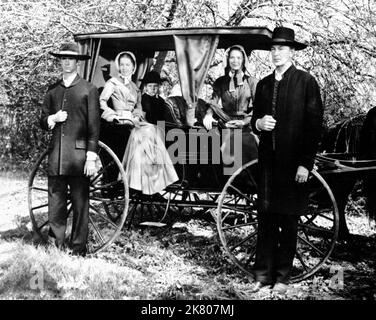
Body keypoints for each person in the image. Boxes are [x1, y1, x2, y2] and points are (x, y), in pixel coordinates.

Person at [250, 27, 324, 293]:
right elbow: (252, 119)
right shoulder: (263, 84)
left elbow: (314, 126)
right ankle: (262, 276)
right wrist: (258, 122)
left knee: (289, 222)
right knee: (266, 220)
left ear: (293, 52)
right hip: (268, 164)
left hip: (294, 166)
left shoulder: (306, 82)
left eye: (281, 48)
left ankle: (282, 278)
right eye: (273, 49)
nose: (276, 53)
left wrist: (305, 163)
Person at [40, 42, 100, 256]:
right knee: (55, 202)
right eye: (63, 59)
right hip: (56, 156)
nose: (66, 62)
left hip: (79, 157)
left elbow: (94, 126)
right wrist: (52, 118)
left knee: (80, 204)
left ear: (77, 62)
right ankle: (55, 246)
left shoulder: (88, 89)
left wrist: (91, 157)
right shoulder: (52, 90)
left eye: (70, 59)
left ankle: (77, 248)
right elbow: (41, 120)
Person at [100, 52, 178, 195]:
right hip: (119, 120)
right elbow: (102, 102)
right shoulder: (112, 83)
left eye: (127, 65)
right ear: (118, 66)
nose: (124, 68)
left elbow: (138, 106)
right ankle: (135, 179)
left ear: (133, 68)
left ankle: (153, 176)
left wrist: (137, 113)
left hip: (132, 119)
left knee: (152, 129)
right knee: (148, 130)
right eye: (122, 65)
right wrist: (112, 115)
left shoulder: (134, 87)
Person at [202, 45, 259, 171]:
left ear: (243, 60)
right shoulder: (220, 82)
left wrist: (244, 122)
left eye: (239, 58)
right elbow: (213, 101)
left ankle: (246, 177)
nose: (235, 61)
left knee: (246, 141)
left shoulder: (252, 82)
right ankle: (227, 177)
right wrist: (209, 114)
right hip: (226, 122)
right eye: (232, 57)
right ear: (227, 60)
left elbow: (258, 107)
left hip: (246, 123)